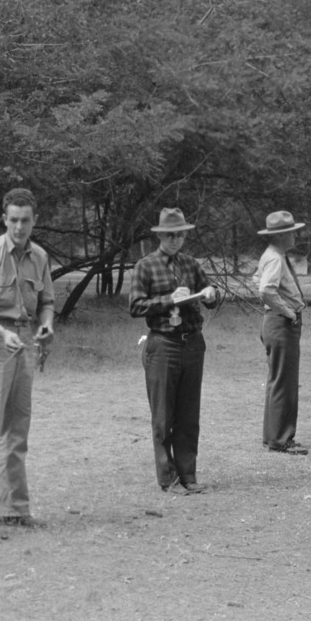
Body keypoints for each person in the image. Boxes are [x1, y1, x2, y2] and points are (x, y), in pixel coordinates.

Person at [0, 187, 56, 545]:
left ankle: (14, 509)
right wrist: (3, 334)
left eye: (26, 220)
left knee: (17, 433)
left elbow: (47, 301)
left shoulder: (40, 257)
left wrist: (46, 326)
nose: (19, 227)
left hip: (25, 345)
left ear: (35, 221)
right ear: (4, 219)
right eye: (13, 220)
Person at [127, 207, 222, 494]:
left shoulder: (191, 264)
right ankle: (168, 478)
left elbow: (211, 296)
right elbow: (135, 306)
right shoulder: (145, 266)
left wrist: (211, 293)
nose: (175, 240)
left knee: (188, 414)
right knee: (163, 416)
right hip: (163, 345)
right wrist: (169, 300)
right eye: (169, 235)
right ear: (160, 235)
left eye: (179, 235)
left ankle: (188, 474)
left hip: (192, 343)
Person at [255, 209, 307, 454]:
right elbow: (266, 289)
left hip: (274, 321)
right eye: (290, 232)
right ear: (279, 236)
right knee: (284, 382)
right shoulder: (275, 257)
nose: (295, 236)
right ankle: (281, 439)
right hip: (280, 323)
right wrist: (288, 311)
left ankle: (273, 436)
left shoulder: (272, 255)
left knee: (279, 380)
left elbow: (258, 280)